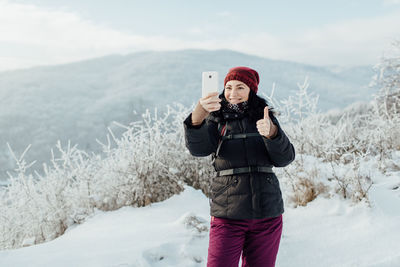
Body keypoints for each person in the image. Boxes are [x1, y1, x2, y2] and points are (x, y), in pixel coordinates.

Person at [183, 66, 295, 267]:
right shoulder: (215, 118)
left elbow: (285, 158)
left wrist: (272, 134)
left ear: (251, 90)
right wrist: (198, 117)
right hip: (228, 213)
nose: (233, 94)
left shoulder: (265, 117)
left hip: (267, 213)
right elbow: (199, 150)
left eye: (240, 87)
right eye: (228, 87)